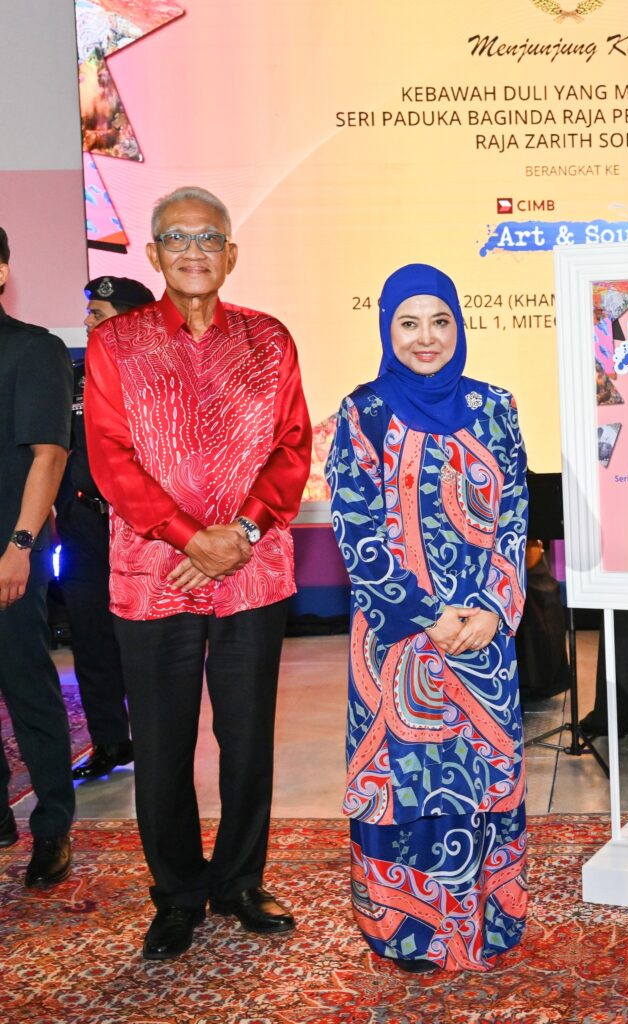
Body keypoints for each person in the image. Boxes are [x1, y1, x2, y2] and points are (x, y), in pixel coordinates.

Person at [85, 187, 312, 960]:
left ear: (231, 254)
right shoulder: (116, 345)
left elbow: (292, 446)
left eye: (209, 237)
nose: (193, 250)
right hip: (156, 571)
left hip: (254, 566)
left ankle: (241, 881)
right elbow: (111, 458)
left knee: (247, 739)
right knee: (162, 743)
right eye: (177, 238)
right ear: (153, 253)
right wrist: (190, 538)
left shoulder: (269, 340)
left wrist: (240, 532)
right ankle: (178, 894)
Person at [326, 264, 530, 974]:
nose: (425, 337)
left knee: (482, 776)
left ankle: (490, 921)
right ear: (387, 329)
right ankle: (408, 930)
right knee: (404, 784)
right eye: (408, 322)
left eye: (440, 321)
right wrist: (426, 616)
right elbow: (356, 530)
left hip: (484, 637)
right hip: (395, 643)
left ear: (459, 326)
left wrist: (495, 607)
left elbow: (514, 517)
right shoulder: (362, 413)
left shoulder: (496, 407)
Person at [0, 224, 77, 886]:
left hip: (8, 549)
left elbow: (49, 456)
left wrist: (21, 545)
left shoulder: (34, 350)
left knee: (26, 687)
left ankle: (52, 824)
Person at [62, 276, 155, 780]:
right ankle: (110, 742)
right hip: (84, 525)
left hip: (142, 526)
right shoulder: (72, 378)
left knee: (147, 640)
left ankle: (158, 742)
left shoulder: (163, 378)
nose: (87, 321)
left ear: (131, 319)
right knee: (91, 637)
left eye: (97, 313)